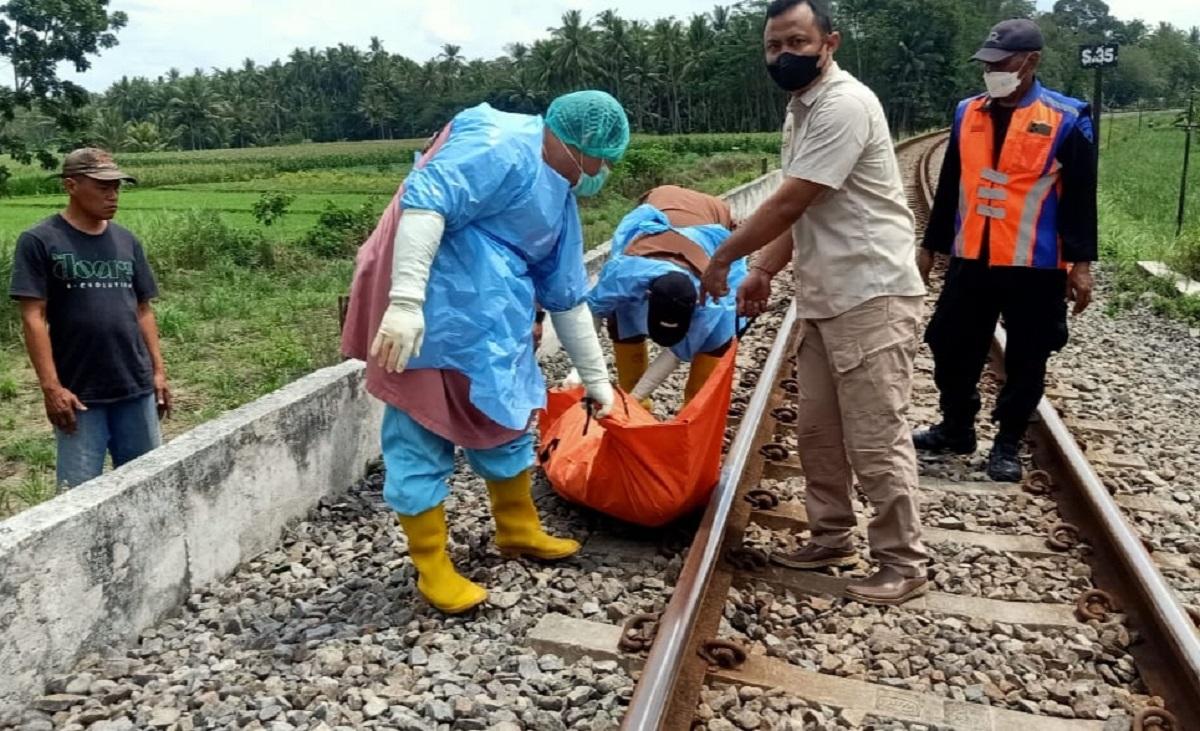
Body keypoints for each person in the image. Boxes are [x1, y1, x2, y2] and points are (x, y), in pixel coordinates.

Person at [340, 92, 629, 614]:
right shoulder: (502, 145)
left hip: (491, 318)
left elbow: (566, 295)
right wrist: (405, 302)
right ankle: (432, 568)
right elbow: (426, 202)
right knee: (420, 428)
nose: (602, 170)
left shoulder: (559, 195)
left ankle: (517, 527)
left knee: (507, 409)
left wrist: (598, 381)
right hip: (432, 306)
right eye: (600, 158)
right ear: (573, 143)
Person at [699, 0, 929, 605]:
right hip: (826, 295)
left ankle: (902, 562)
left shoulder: (843, 104)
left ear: (830, 41)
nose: (784, 56)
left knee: (875, 434)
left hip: (871, 293)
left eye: (796, 42)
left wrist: (725, 258)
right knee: (819, 430)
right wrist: (764, 270)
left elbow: (789, 200)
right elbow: (803, 207)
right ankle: (832, 536)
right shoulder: (800, 108)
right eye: (774, 46)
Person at [913, 19, 1096, 482]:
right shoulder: (966, 113)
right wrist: (931, 246)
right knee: (947, 342)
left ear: (1030, 61)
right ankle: (957, 428)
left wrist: (1081, 264)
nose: (991, 71)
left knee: (1027, 358)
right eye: (986, 64)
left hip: (1035, 265)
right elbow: (952, 184)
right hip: (972, 259)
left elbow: (1080, 196)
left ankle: (1008, 442)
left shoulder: (1068, 118)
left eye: (1001, 63)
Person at [8, 148, 171, 490]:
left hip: (135, 387)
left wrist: (158, 372)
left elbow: (143, 309)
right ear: (71, 185)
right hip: (79, 395)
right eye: (102, 187)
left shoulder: (126, 240)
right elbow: (33, 317)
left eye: (117, 187)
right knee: (77, 498)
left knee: (147, 486)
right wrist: (51, 389)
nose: (113, 195)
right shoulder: (40, 240)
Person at [586, 185, 747, 408]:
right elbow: (594, 311)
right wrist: (582, 374)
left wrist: (632, 402)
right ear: (648, 295)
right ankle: (635, 408)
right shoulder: (623, 275)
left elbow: (674, 354)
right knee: (621, 319)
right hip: (662, 202)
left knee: (714, 340)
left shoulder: (711, 300)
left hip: (711, 218)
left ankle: (694, 414)